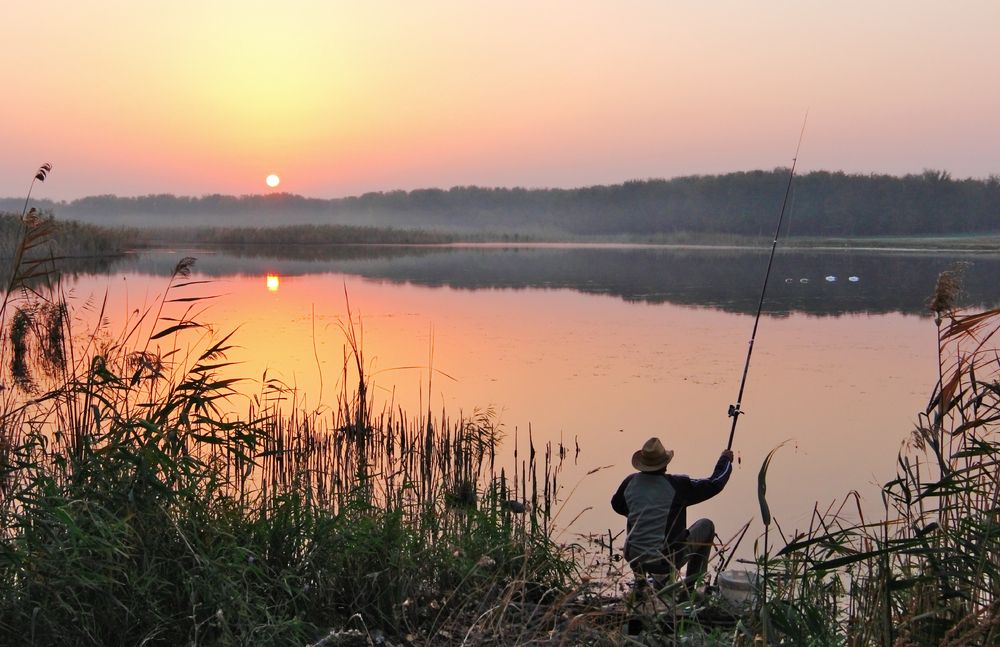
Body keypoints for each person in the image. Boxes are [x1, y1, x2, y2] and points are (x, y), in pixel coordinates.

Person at [611, 437, 733, 591]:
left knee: (645, 543)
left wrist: (643, 512)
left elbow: (617, 505)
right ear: (665, 464)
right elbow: (714, 484)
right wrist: (725, 459)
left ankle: (642, 582)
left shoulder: (630, 481)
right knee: (706, 526)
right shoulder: (677, 486)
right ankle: (690, 588)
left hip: (633, 556)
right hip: (665, 560)